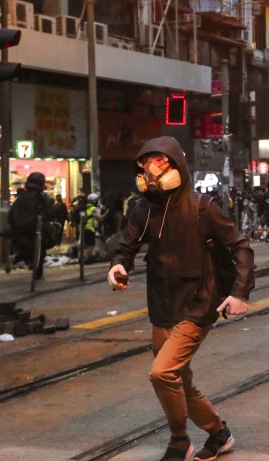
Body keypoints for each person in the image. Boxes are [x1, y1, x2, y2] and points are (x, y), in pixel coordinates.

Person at [108, 136, 254, 461]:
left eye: (159, 161)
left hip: (198, 304)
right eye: (145, 163)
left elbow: (240, 246)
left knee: (162, 373)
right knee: (179, 379)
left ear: (176, 165)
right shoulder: (143, 211)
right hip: (161, 304)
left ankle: (179, 440)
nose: (150, 169)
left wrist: (239, 292)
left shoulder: (204, 207)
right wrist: (118, 265)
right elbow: (126, 246)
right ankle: (219, 433)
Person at [7, 172, 54, 279]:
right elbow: (49, 212)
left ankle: (17, 258)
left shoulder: (21, 197)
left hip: (20, 231)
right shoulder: (42, 198)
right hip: (36, 229)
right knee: (40, 250)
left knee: (25, 248)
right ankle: (37, 271)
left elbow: (11, 214)